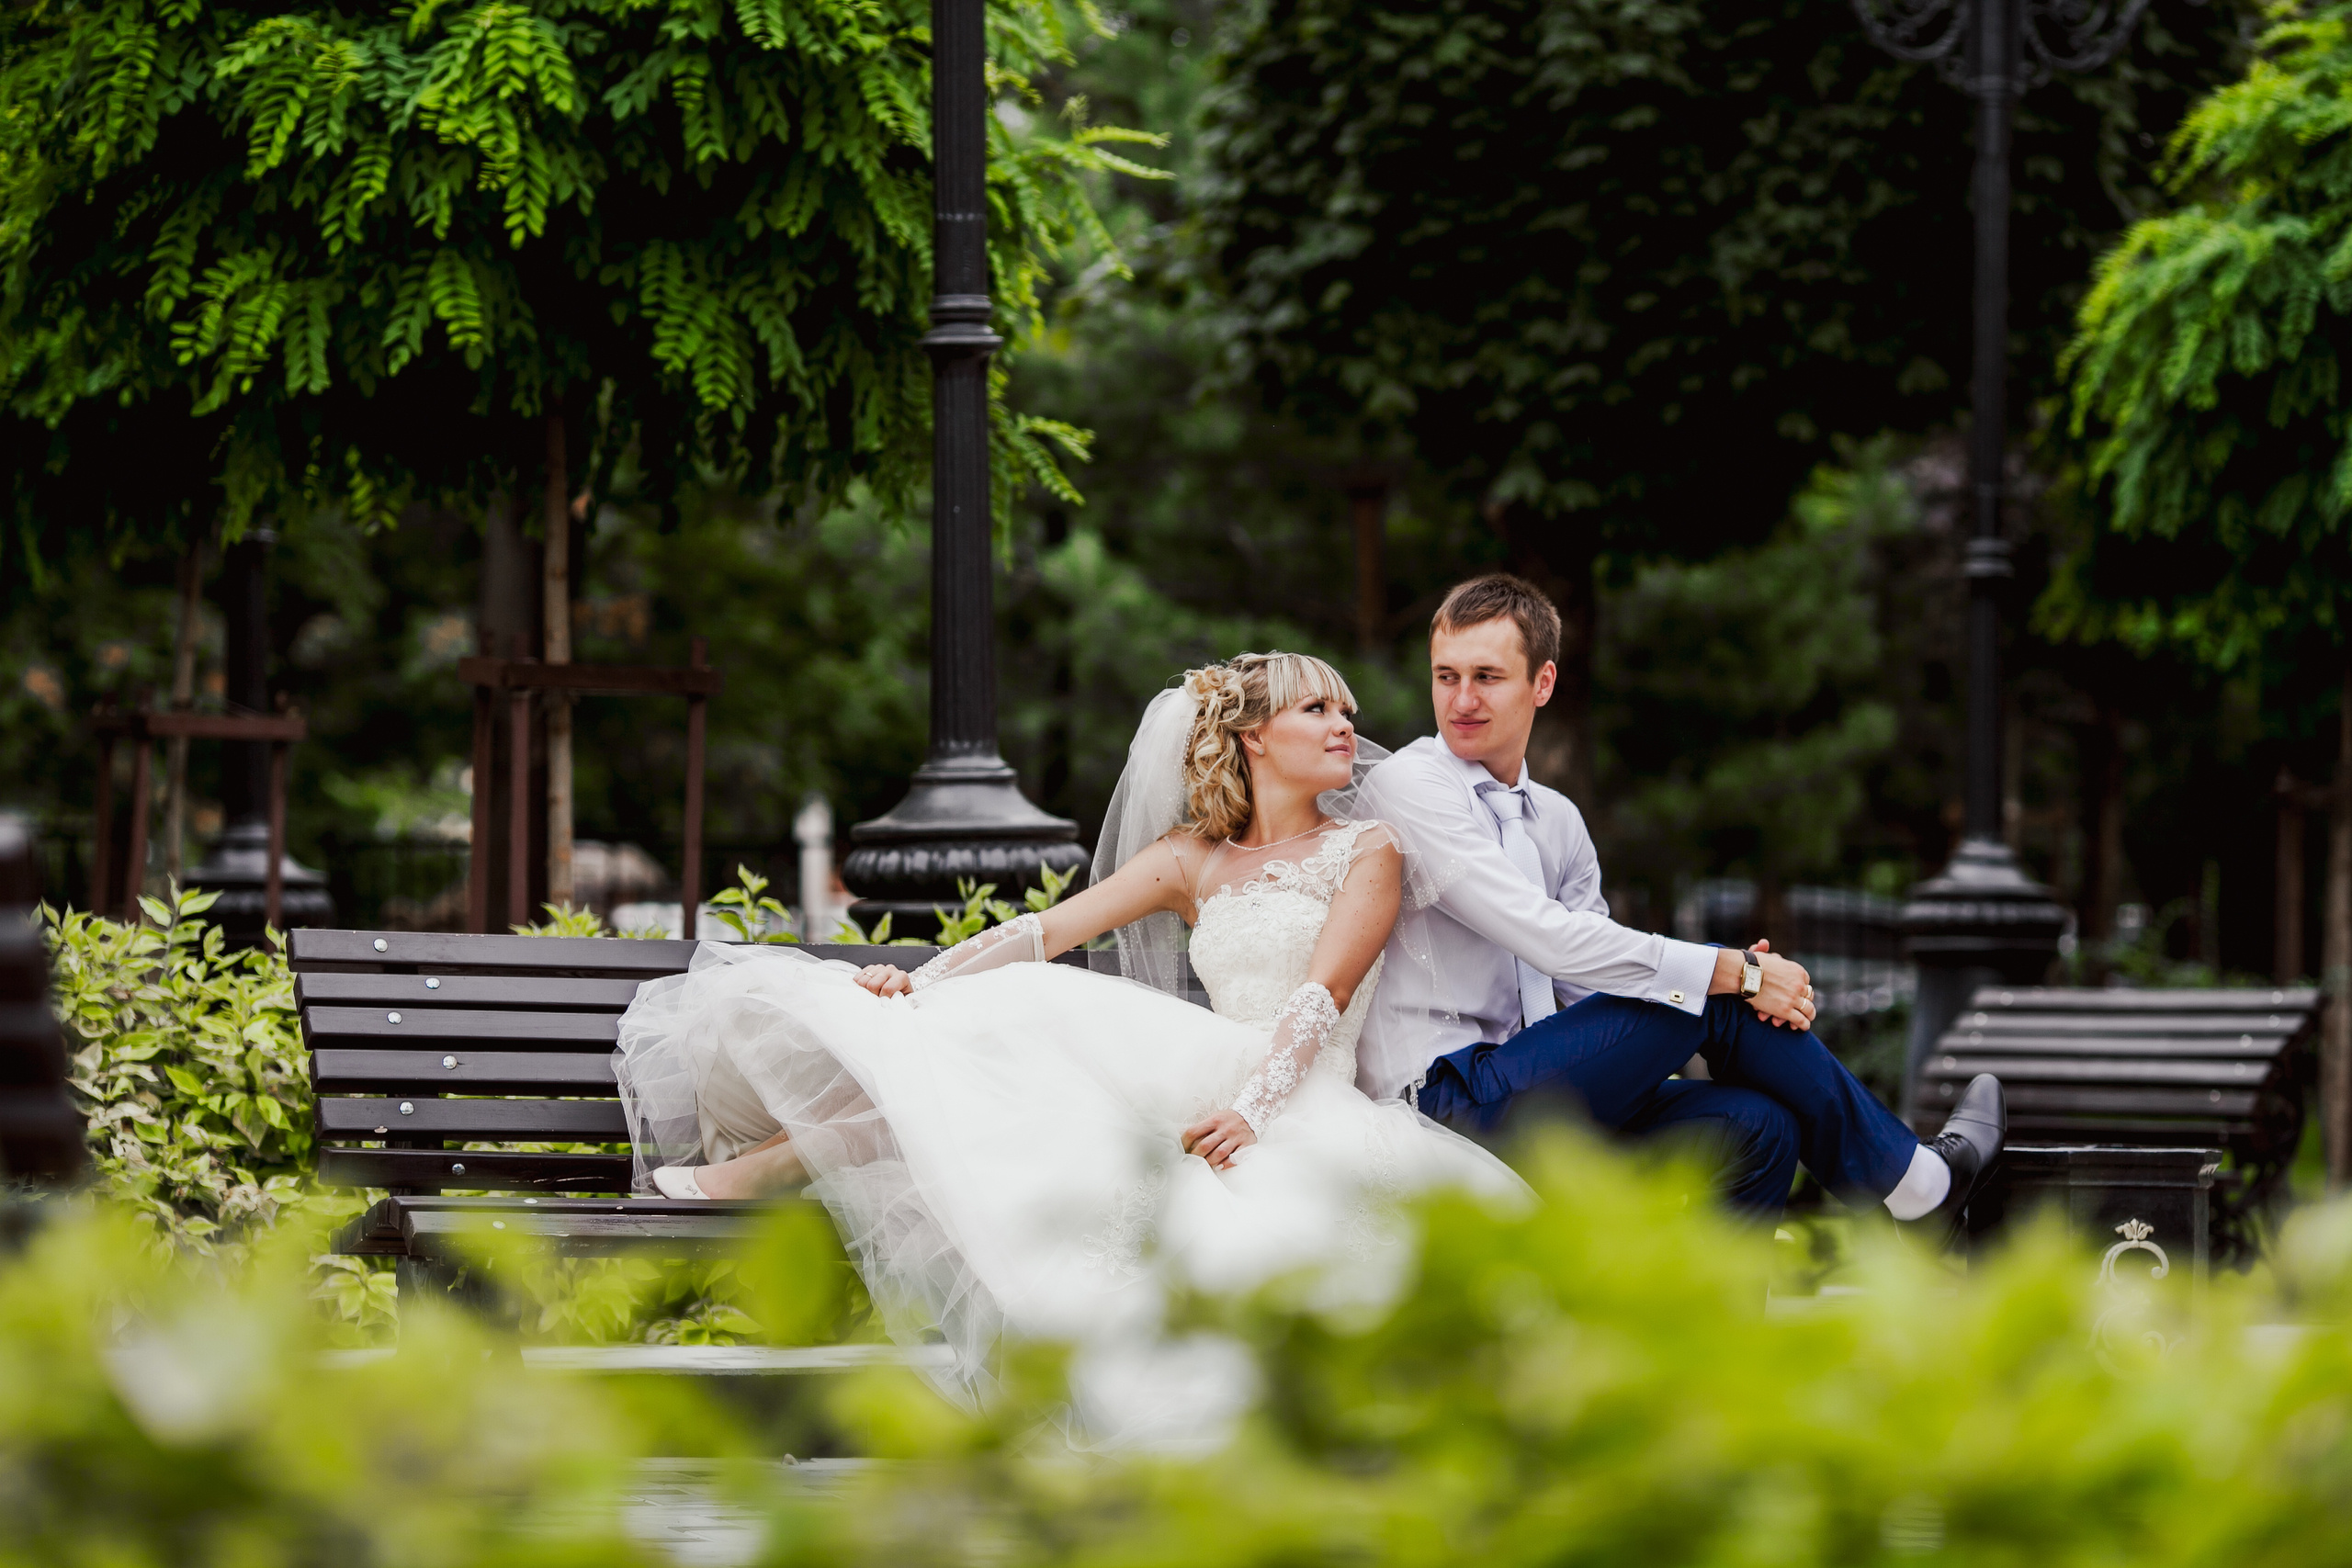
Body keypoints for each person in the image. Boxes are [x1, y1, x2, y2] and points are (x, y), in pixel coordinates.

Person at [612, 652, 1525, 1405]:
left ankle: (767, 1168)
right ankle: (771, 1166)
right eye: (1317, 708)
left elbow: (1323, 992)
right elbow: (1043, 933)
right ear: (1253, 735)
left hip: (1292, 1095)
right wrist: (916, 982)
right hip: (1194, 1083)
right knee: (989, 1025)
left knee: (1026, 1041)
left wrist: (1253, 1109)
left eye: (1346, 710)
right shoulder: (1190, 857)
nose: (1344, 727)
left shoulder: (1367, 848)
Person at [1352, 573, 2005, 1230]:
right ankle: (1918, 1186)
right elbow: (1545, 936)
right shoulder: (1411, 785)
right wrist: (1735, 973)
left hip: (1535, 1088)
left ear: (1542, 683)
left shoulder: (1557, 819)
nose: (1462, 699)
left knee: (1759, 1124)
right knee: (1711, 989)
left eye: (1487, 677)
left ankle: (1736, 1298)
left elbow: (1587, 987)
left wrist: (1722, 990)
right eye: (1446, 676)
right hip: (1441, 1100)